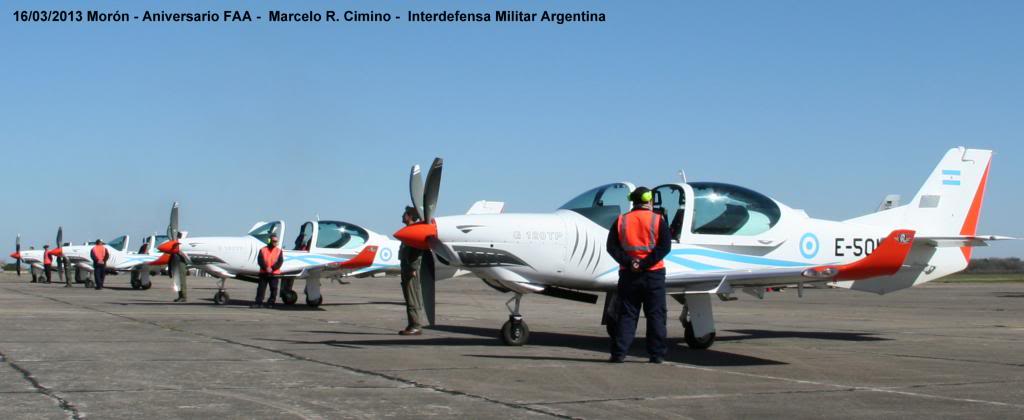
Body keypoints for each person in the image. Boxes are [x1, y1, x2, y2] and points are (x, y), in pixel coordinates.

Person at [606, 186, 672, 364]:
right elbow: (664, 247)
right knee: (656, 315)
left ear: (633, 202)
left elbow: (612, 247)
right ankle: (656, 354)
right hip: (654, 275)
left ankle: (619, 353)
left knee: (627, 315)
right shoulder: (658, 220)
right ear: (649, 201)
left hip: (628, 275)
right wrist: (644, 264)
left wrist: (631, 263)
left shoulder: (621, 221)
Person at [398, 206, 426, 335]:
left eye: (405, 214)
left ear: (410, 216)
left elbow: (417, 251)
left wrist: (413, 268)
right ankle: (412, 324)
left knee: (412, 297)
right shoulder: (408, 231)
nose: (402, 216)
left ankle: (416, 325)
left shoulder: (414, 232)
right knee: (409, 297)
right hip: (406, 268)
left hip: (411, 270)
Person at [253, 234, 284, 308]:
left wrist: (272, 268)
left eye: (276, 241)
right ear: (269, 241)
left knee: (274, 289)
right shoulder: (263, 250)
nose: (275, 242)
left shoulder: (279, 251)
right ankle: (258, 303)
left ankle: (271, 303)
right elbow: (260, 261)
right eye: (273, 241)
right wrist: (266, 268)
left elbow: (280, 262)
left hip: (274, 273)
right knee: (261, 289)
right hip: (264, 272)